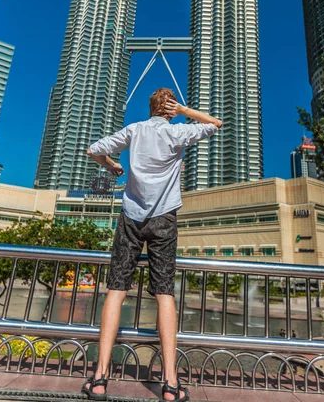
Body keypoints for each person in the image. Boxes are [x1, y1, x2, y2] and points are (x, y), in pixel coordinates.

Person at [81, 88, 222, 402]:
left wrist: (111, 167)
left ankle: (101, 378)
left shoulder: (135, 129)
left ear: (150, 108)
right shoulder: (177, 131)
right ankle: (170, 384)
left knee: (116, 291)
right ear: (169, 109)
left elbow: (93, 150)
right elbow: (215, 123)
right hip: (164, 221)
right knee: (165, 295)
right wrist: (184, 109)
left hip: (131, 218)